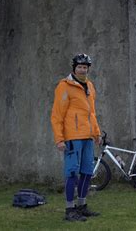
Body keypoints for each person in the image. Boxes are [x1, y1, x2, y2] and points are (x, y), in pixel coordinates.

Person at [51, 53, 102, 222]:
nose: (82, 70)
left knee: (87, 172)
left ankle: (82, 206)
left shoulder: (90, 86)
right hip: (72, 137)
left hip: (88, 137)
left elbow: (92, 113)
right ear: (74, 68)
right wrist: (59, 139)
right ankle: (69, 209)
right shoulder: (64, 86)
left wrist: (96, 133)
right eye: (79, 67)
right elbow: (57, 115)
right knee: (72, 173)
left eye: (85, 67)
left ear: (88, 69)